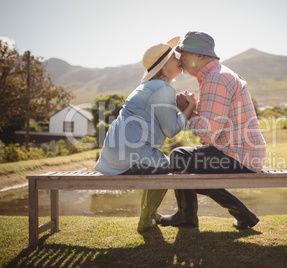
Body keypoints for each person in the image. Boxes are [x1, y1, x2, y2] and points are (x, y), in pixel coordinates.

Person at [160, 31, 266, 229]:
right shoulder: (215, 76)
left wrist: (188, 111)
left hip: (238, 156)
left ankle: (188, 216)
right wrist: (193, 108)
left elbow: (209, 135)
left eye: (184, 53)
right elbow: (214, 124)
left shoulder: (216, 79)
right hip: (240, 154)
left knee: (179, 157)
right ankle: (243, 216)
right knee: (185, 162)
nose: (180, 58)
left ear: (200, 55)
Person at [94, 36, 196, 233]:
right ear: (165, 65)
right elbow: (172, 130)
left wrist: (176, 107)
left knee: (157, 163)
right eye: (174, 56)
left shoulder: (146, 87)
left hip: (112, 157)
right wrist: (190, 107)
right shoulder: (162, 88)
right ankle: (145, 219)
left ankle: (150, 214)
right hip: (130, 155)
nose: (179, 58)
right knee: (166, 167)